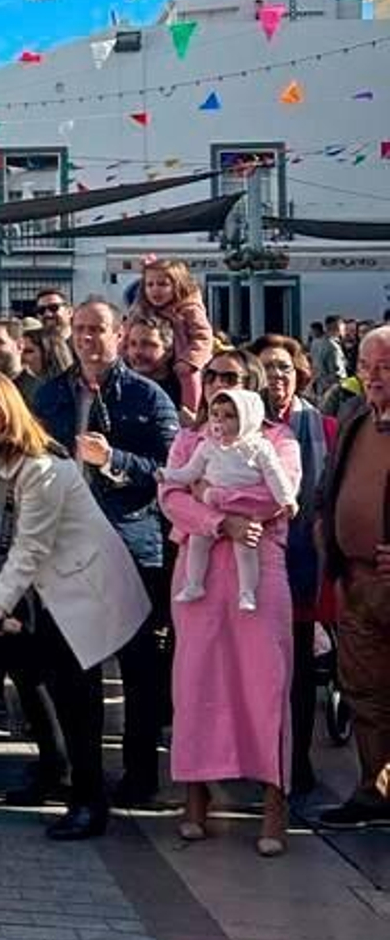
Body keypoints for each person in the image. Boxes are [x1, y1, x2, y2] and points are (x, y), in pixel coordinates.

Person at [0, 372, 152, 840]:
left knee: (79, 700)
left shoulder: (41, 469)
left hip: (85, 593)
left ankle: (90, 803)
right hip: (53, 595)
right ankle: (59, 776)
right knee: (45, 685)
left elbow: (30, 547)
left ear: (7, 412)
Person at [35, 298, 179, 807]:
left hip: (131, 545)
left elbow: (172, 470)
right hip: (68, 551)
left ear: (119, 335)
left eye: (98, 330)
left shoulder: (147, 395)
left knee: (140, 672)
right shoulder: (50, 394)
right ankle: (84, 780)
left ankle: (140, 777)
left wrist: (114, 459)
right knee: (74, 672)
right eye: (80, 330)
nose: (87, 339)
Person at [160, 350, 300, 855]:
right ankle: (196, 794)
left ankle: (273, 801)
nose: (219, 385)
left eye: (232, 378)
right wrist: (217, 520)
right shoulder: (190, 439)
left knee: (266, 680)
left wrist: (215, 496)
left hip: (260, 567)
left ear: (252, 387)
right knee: (196, 678)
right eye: (212, 376)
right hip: (198, 570)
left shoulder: (277, 440)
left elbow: (280, 497)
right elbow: (171, 497)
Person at [249, 334, 332, 797]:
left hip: (301, 566)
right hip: (245, 565)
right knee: (252, 671)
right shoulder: (237, 425)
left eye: (284, 366)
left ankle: (295, 762)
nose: (277, 376)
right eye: (268, 367)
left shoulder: (324, 428)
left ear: (299, 371)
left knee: (297, 673)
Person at [315, 324, 390, 828]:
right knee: (364, 691)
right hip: (356, 581)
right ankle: (374, 789)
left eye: (386, 366)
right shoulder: (357, 417)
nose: (375, 376)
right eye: (367, 366)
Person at [161, 388, 297, 611]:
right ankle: (194, 584)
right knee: (197, 543)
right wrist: (168, 475)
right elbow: (188, 474)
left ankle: (247, 592)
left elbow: (276, 477)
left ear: (247, 416)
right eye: (215, 414)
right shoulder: (206, 445)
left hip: (247, 519)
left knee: (245, 552)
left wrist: (286, 500)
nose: (220, 421)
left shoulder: (260, 446)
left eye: (229, 416)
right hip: (207, 520)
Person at [128, 259, 214, 419]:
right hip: (157, 365)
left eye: (162, 284)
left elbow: (203, 336)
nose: (155, 290)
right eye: (150, 284)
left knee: (189, 376)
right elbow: (126, 333)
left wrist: (190, 359)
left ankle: (190, 411)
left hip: (183, 357)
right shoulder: (141, 309)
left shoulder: (189, 309)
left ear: (177, 285)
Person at [123, 317, 180, 407]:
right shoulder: (118, 387)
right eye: (133, 344)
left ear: (168, 351)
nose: (138, 352)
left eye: (147, 344)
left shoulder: (181, 391)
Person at [310, 316, 348, 397]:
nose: (345, 332)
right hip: (334, 392)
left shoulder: (316, 343)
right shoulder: (333, 346)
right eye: (344, 329)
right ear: (338, 328)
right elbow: (338, 373)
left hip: (320, 389)